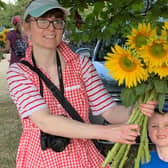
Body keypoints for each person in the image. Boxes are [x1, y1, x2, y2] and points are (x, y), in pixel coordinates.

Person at [7, 0, 157, 167]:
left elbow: (110, 111)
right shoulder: (19, 73)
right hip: (41, 159)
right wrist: (106, 132)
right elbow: (45, 121)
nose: (51, 27)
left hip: (83, 156)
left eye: (57, 21)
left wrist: (136, 110)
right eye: (42, 20)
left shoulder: (81, 65)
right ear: (26, 27)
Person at [140, 104, 168, 168]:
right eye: (154, 126)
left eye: (167, 125)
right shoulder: (145, 161)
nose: (160, 131)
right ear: (147, 131)